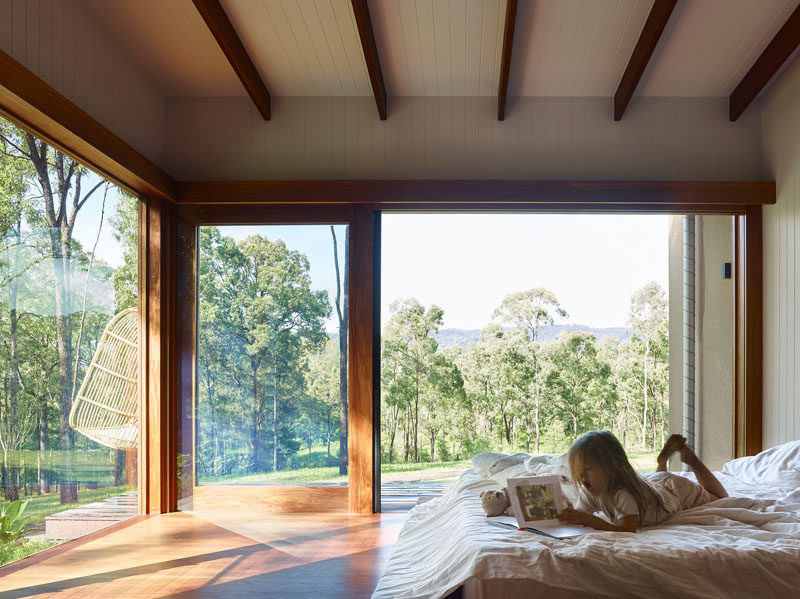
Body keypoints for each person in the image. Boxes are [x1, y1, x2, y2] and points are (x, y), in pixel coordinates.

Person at [558, 431, 728, 532]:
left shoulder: (623, 495)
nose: (581, 475)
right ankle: (662, 462)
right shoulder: (591, 490)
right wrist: (570, 512)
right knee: (656, 488)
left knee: (721, 498)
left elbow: (626, 530)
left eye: (587, 468)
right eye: (578, 470)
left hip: (675, 491)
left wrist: (591, 520)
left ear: (612, 466)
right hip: (654, 487)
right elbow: (582, 515)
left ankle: (693, 461)